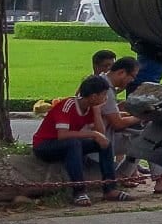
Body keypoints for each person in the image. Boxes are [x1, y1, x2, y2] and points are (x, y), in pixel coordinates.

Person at [33, 76, 130, 206]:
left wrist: (96, 112)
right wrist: (93, 134)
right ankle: (79, 191)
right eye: (104, 95)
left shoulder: (90, 108)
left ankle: (110, 189)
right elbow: (62, 135)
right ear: (94, 96)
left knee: (104, 144)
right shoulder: (67, 105)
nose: (106, 98)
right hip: (46, 145)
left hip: (68, 143)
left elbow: (100, 133)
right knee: (74, 143)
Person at [100, 57, 162, 194]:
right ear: (121, 73)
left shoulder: (102, 82)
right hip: (102, 138)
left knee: (141, 136)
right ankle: (160, 182)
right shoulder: (106, 89)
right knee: (150, 140)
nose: (132, 81)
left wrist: (128, 113)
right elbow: (117, 123)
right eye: (132, 76)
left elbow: (109, 115)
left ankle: (122, 176)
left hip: (103, 133)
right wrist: (141, 117)